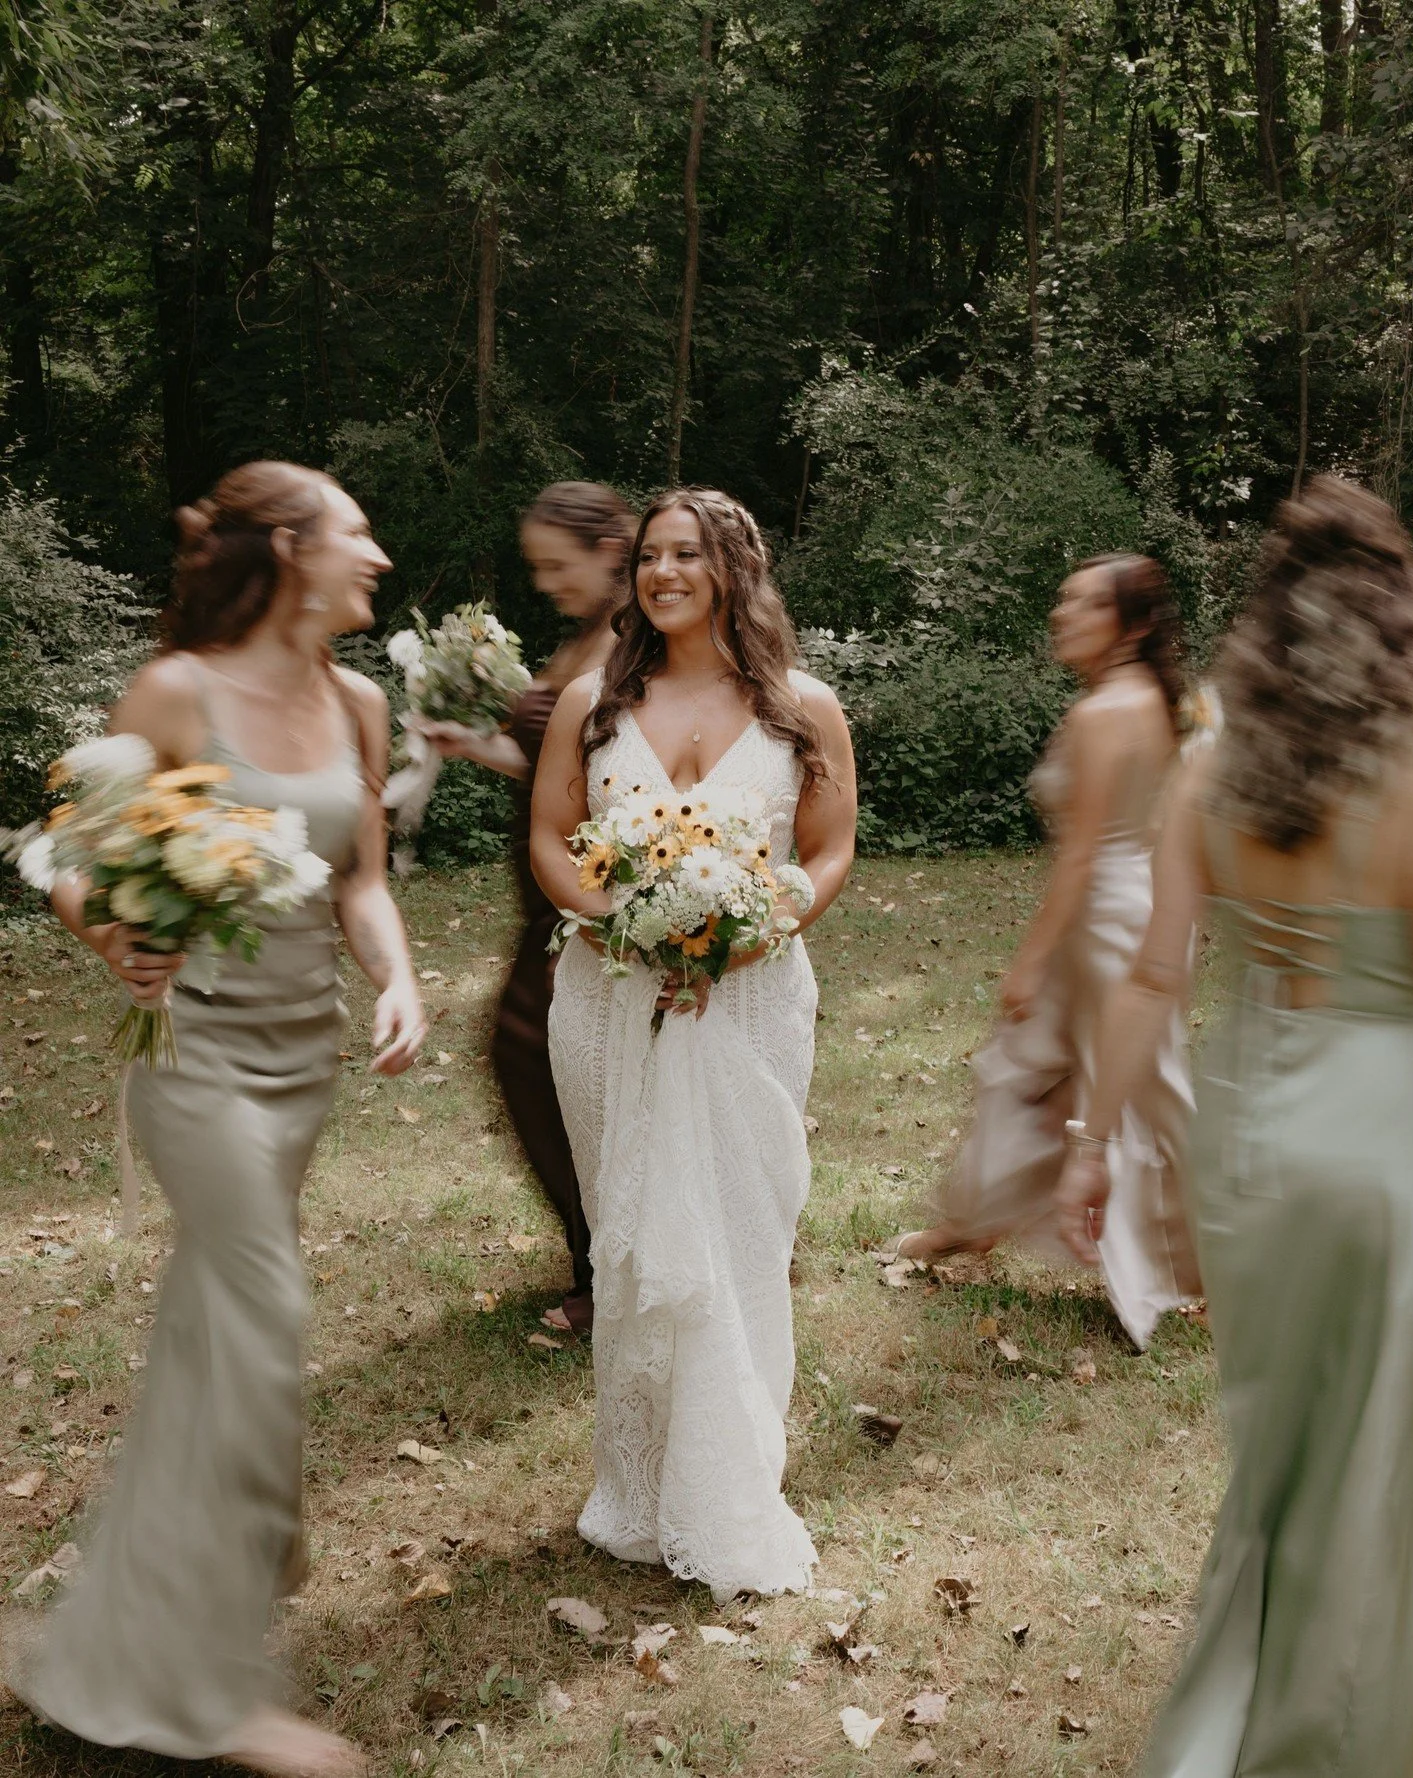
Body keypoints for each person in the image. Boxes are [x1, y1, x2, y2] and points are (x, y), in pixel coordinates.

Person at [10, 462, 426, 1778]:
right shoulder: (177, 691)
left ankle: (119, 1633)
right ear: (291, 548)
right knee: (261, 1314)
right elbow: (70, 850)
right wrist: (111, 936)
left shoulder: (359, 703)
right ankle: (213, 1688)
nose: (377, 553)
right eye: (356, 532)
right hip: (195, 1058)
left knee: (213, 1334)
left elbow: (360, 880)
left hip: (304, 1058)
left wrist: (398, 975)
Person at [1058, 478, 1413, 1776]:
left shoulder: (1211, 768)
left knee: (1279, 1462)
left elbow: (1154, 976)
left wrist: (1093, 1143)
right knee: (1381, 1460)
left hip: (1255, 1136)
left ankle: (1234, 1721)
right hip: (1387, 1132)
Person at [531, 487, 856, 1599]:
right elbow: (550, 834)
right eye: (649, 556)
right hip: (609, 996)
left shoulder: (803, 705)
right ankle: (636, 1484)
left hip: (749, 999)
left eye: (686, 554)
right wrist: (617, 919)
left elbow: (830, 844)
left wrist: (758, 928)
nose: (662, 572)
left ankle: (729, 1479)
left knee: (741, 1229)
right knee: (628, 1234)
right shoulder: (594, 701)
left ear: (735, 568)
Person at [896, 555, 1200, 1348]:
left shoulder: (1104, 713)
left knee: (1084, 1079)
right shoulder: (1150, 701)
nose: (1062, 614)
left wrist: (1031, 960)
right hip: (1133, 906)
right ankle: (973, 1221)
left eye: (1084, 604)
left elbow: (1082, 857)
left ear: (1131, 624)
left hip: (1103, 920)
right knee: (1069, 1075)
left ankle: (1160, 1264)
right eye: (1063, 600)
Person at [416, 482, 635, 1337]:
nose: (545, 583)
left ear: (608, 549)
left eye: (556, 564)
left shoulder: (633, 639)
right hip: (545, 895)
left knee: (547, 1063)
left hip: (589, 893)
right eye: (535, 567)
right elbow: (553, 762)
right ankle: (601, 1258)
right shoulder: (583, 636)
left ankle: (610, 1271)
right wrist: (472, 744)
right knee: (539, 1064)